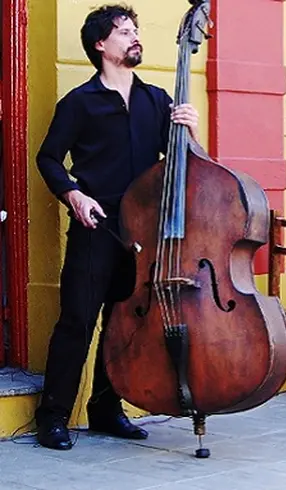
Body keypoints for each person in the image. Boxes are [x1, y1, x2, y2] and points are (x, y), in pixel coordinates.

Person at [35, 4, 200, 450]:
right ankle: (52, 417)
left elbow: (185, 164)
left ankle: (107, 410)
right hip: (97, 227)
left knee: (123, 325)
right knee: (77, 322)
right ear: (100, 45)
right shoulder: (79, 103)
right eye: (124, 31)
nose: (134, 37)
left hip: (144, 234)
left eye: (135, 30)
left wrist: (189, 132)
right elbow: (48, 158)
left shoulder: (157, 101)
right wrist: (73, 193)